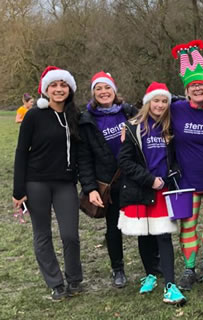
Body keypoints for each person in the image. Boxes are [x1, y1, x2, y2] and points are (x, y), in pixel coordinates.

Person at [12, 66, 82, 301]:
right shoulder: (34, 115)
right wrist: (18, 190)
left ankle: (74, 279)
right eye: (54, 85)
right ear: (46, 89)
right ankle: (56, 283)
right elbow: (21, 151)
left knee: (70, 234)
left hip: (65, 184)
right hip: (36, 182)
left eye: (63, 85)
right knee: (42, 235)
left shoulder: (75, 116)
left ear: (69, 89)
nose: (59, 89)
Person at [118, 82, 186, 305]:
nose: (160, 105)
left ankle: (170, 285)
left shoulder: (171, 127)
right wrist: (149, 180)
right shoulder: (132, 127)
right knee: (144, 234)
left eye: (164, 101)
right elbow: (125, 161)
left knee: (164, 236)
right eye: (156, 100)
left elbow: (176, 158)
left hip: (164, 191)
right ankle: (150, 274)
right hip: (141, 188)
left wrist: (167, 178)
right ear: (148, 102)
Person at [169, 40, 203, 290]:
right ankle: (189, 268)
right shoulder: (176, 108)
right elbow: (150, 107)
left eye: (201, 84)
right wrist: (129, 126)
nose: (198, 88)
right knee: (188, 224)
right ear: (187, 91)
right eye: (193, 85)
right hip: (186, 182)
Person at [78, 71, 138, 288]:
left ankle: (153, 263)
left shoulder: (130, 111)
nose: (104, 92)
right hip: (109, 182)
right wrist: (90, 187)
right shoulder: (87, 120)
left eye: (107, 88)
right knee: (114, 227)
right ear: (93, 93)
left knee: (144, 223)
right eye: (98, 89)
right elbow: (83, 159)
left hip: (133, 178)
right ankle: (118, 269)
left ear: (114, 90)